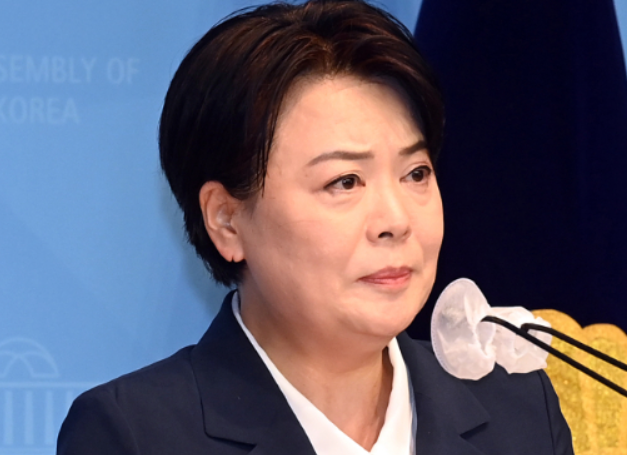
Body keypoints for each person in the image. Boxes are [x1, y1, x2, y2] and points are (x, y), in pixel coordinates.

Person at [56, 1, 574, 454]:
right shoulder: (137, 435)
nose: (395, 221)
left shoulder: (519, 413)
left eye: (416, 173)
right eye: (345, 182)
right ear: (226, 220)